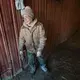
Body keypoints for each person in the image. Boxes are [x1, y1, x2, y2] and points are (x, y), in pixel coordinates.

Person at [19, 6, 48, 75]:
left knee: (41, 58)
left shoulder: (39, 26)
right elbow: (21, 39)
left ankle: (43, 66)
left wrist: (40, 50)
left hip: (38, 47)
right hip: (29, 49)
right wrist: (20, 49)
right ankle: (32, 68)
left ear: (31, 16)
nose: (26, 19)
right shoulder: (22, 28)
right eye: (24, 17)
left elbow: (42, 38)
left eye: (27, 17)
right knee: (30, 60)